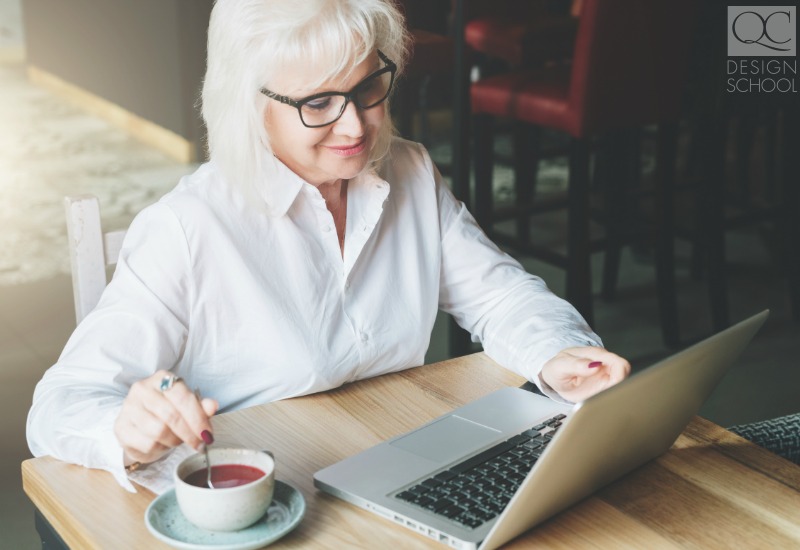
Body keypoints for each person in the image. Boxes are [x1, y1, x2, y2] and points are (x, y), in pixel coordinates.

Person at [27, 0, 630, 491]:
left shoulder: (411, 173)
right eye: (318, 103)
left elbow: (502, 297)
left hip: (396, 465)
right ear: (249, 107)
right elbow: (60, 404)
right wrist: (126, 429)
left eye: (368, 88)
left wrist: (558, 353)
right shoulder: (187, 228)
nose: (355, 125)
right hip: (267, 494)